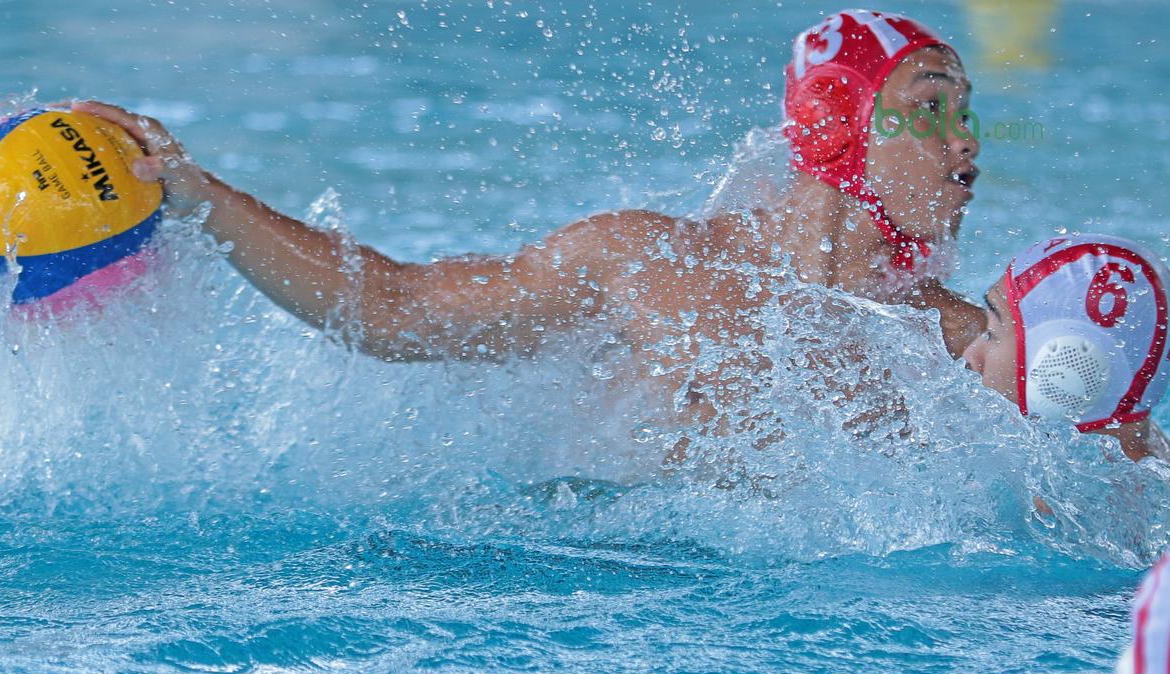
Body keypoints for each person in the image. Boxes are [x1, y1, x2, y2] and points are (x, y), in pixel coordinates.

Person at [73, 9, 984, 428]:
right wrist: (204, 198)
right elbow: (393, 311)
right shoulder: (646, 265)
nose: (967, 146)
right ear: (834, 124)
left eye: (969, 112)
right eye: (935, 107)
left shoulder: (957, 343)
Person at [963, 234, 1170, 462]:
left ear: (1064, 363)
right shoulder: (1144, 458)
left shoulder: (1072, 494)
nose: (970, 355)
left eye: (991, 334)